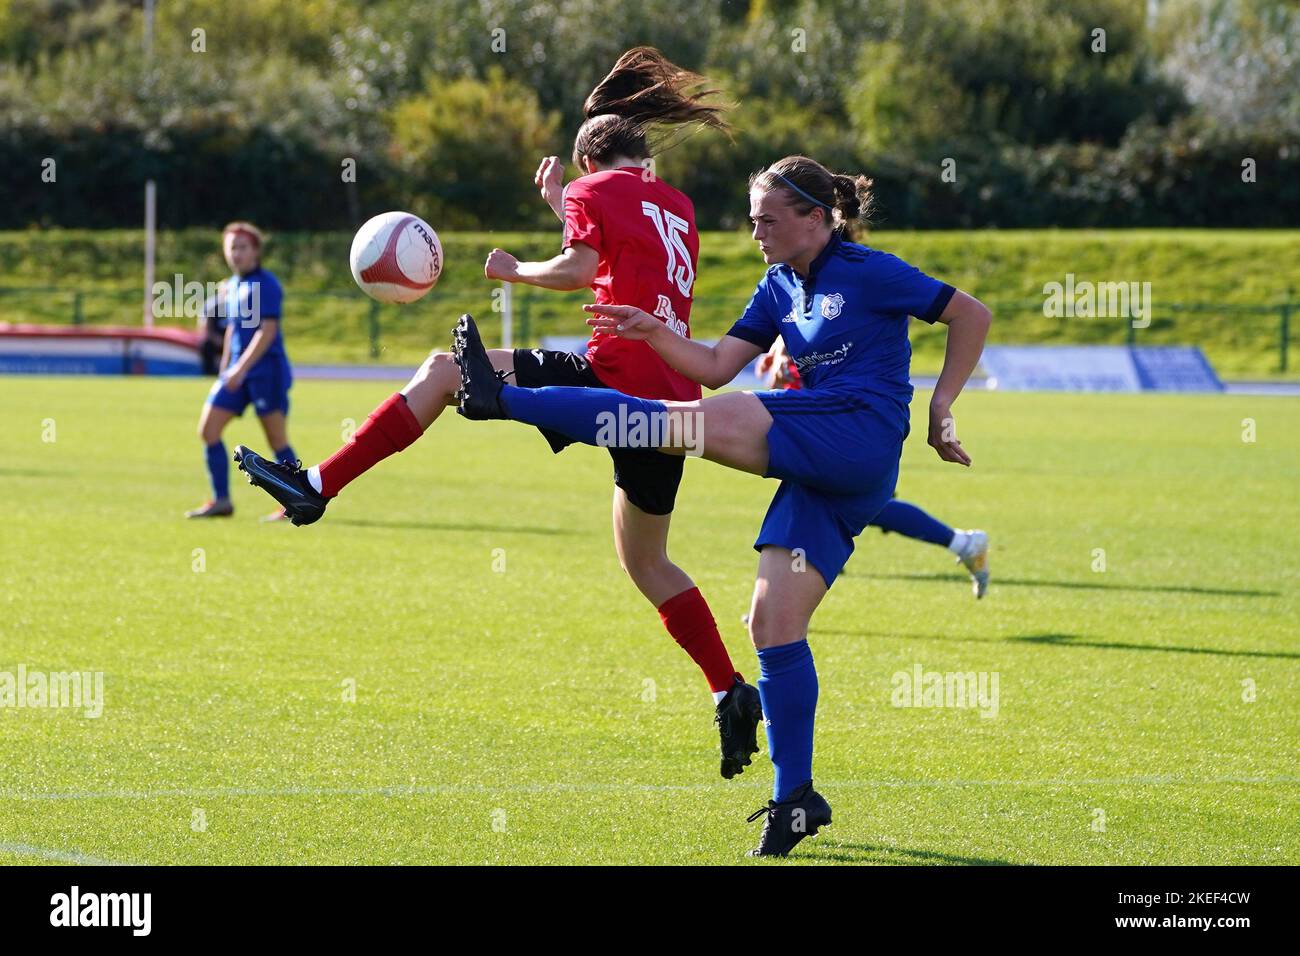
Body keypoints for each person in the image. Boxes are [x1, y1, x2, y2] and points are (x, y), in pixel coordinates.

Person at [232, 48, 765, 779]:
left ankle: (318, 486)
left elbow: (580, 268)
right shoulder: (675, 205)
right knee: (648, 562)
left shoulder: (594, 190)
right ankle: (731, 690)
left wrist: (516, 268)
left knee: (446, 371)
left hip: (605, 381)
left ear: (588, 159)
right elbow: (616, 253)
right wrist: (562, 206)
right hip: (668, 406)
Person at [451, 154, 992, 857]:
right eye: (750, 218)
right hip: (828, 472)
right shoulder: (775, 287)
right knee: (771, 621)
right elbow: (709, 365)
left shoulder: (870, 271)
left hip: (856, 435)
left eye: (768, 218)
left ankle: (507, 401)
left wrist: (943, 404)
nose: (755, 230)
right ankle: (796, 798)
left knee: (687, 423)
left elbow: (968, 314)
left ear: (816, 218)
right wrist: (652, 329)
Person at [758, 337, 991, 598]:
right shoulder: (794, 313)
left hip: (854, 427)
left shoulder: (854, 320)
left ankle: (963, 543)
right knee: (811, 508)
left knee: (838, 508)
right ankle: (780, 599)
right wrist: (779, 350)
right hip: (821, 424)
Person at [186, 222, 296, 521]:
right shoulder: (231, 286)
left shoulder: (267, 285)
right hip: (236, 372)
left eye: (243, 247)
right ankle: (222, 501)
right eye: (231, 247)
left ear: (256, 251)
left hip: (265, 373)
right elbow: (234, 327)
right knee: (208, 430)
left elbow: (267, 332)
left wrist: (240, 368)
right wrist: (226, 367)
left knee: (276, 441)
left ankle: (294, 503)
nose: (236, 253)